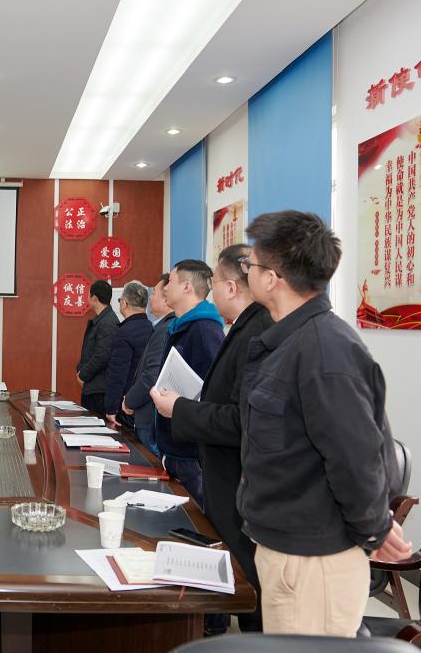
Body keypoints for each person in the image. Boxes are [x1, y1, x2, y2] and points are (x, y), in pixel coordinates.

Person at [237, 210, 412, 636]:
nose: (246, 273)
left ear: (272, 278)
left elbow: (356, 459)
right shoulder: (291, 341)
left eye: (250, 265)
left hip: (313, 563)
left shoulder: (324, 350)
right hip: (289, 553)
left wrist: (375, 530)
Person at [151, 244, 273, 633]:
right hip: (221, 466)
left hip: (235, 475)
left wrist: (180, 409)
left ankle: (222, 625)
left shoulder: (256, 332)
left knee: (246, 578)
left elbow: (242, 418)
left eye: (216, 281)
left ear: (232, 287)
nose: (212, 289)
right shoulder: (241, 327)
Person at [150, 260, 224, 509]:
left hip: (190, 451)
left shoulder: (205, 330)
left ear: (187, 287)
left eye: (170, 281)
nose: (165, 287)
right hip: (173, 445)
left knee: (197, 518)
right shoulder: (180, 325)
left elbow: (214, 393)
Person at [122, 274, 174, 450]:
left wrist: (130, 400)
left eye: (155, 293)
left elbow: (151, 375)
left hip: (150, 417)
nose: (150, 298)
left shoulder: (165, 329)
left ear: (166, 298)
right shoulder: (160, 326)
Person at [103, 280, 153, 429]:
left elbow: (118, 373)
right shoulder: (153, 329)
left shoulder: (124, 332)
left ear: (124, 303)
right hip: (145, 401)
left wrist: (111, 408)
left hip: (125, 405)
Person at [75, 279, 119, 415]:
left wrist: (83, 374)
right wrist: (80, 369)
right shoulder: (102, 320)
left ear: (94, 298)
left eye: (88, 295)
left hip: (99, 390)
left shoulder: (108, 322)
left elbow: (102, 355)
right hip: (93, 387)